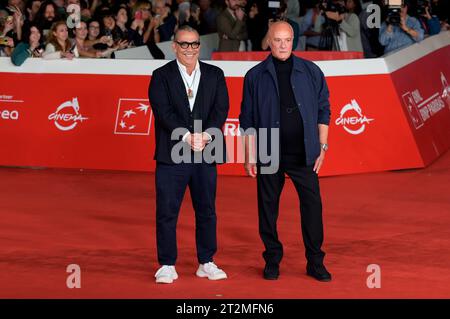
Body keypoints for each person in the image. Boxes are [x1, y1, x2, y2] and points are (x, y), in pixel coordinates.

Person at [239, 21, 332, 282]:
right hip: (269, 151)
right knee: (268, 209)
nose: (282, 45)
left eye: (287, 40)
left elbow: (324, 110)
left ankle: (315, 261)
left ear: (294, 41)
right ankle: (272, 259)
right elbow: (246, 119)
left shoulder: (311, 71)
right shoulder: (255, 76)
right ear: (269, 41)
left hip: (305, 152)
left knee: (313, 207)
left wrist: (322, 146)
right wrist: (248, 154)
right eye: (277, 39)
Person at [148, 25, 230, 284]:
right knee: (167, 211)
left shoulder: (215, 74)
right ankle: (167, 264)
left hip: (206, 150)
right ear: (174, 46)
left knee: (207, 210)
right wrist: (186, 135)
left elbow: (221, 109)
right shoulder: (161, 75)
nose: (190, 49)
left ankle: (206, 262)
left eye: (194, 44)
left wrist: (205, 135)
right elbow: (163, 111)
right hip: (172, 153)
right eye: (184, 44)